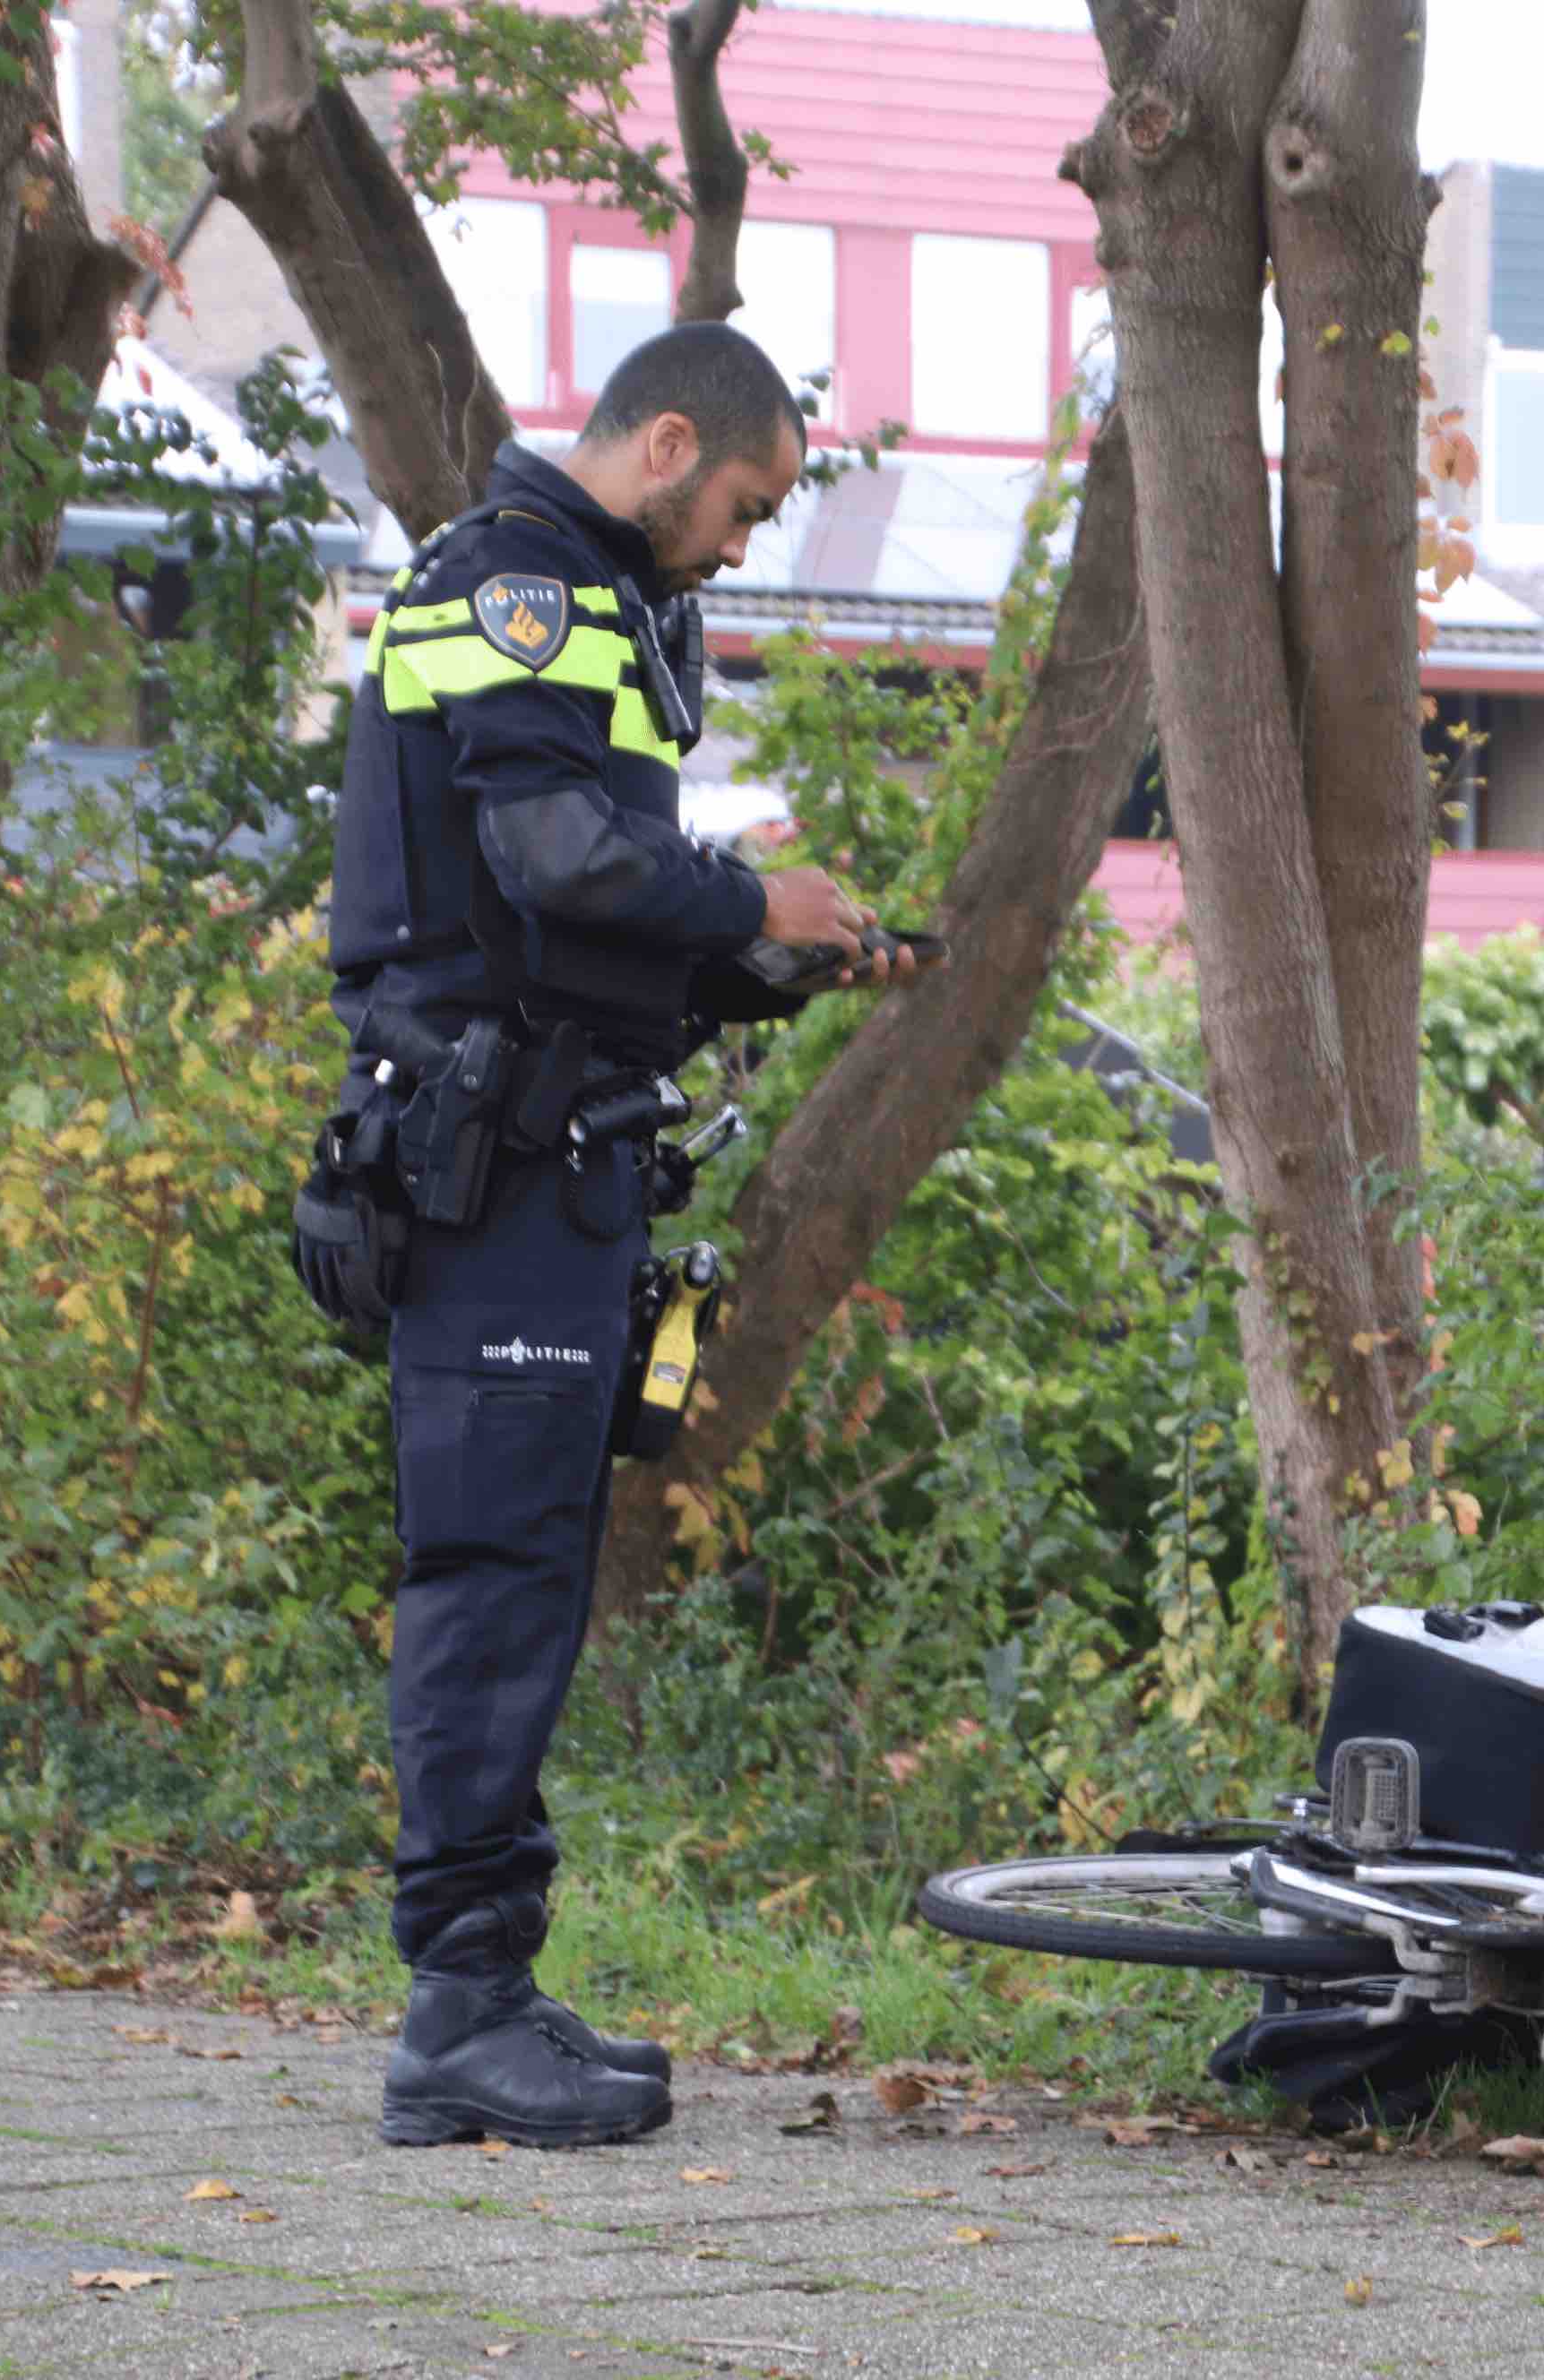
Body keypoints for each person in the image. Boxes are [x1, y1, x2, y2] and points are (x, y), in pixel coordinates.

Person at [312, 322, 910, 2150]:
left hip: (550, 1158)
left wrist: (771, 958)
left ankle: (488, 1985)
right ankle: (455, 2018)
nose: (742, 542)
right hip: (487, 1172)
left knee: (526, 1576)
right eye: (744, 503)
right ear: (668, 443)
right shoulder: (512, 584)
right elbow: (565, 859)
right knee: (490, 1580)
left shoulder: (583, 592)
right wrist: (752, 889)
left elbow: (575, 919)